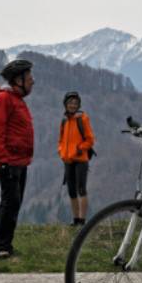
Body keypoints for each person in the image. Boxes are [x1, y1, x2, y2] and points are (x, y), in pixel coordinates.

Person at [0, 59, 35, 259]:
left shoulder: (16, 98)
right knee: (10, 202)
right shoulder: (4, 99)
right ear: (18, 79)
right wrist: (3, 161)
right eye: (30, 77)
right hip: (8, 162)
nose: (33, 81)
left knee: (14, 202)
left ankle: (7, 245)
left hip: (19, 161)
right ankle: (2, 247)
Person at [57, 91, 95, 226]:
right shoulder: (64, 121)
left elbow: (90, 140)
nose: (73, 105)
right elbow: (61, 140)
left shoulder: (82, 118)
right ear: (65, 105)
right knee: (71, 191)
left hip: (80, 160)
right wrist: (61, 152)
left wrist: (79, 149)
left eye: (75, 103)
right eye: (70, 103)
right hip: (68, 160)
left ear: (78, 105)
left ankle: (82, 220)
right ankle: (76, 220)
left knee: (81, 189)